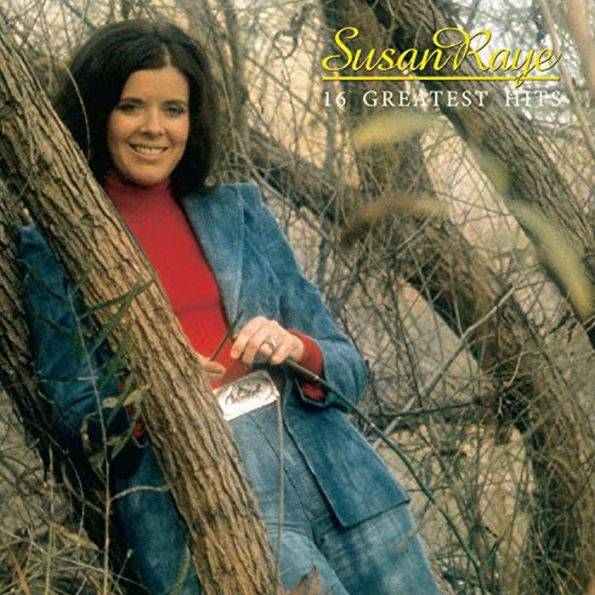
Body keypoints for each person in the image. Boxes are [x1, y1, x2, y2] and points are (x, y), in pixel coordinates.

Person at [19, 18, 440, 594]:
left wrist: (299, 348)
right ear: (95, 112)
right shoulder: (56, 245)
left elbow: (350, 370)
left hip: (343, 482)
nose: (154, 128)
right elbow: (72, 416)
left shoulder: (238, 211)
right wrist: (149, 393)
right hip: (214, 508)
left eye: (174, 109)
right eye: (130, 106)